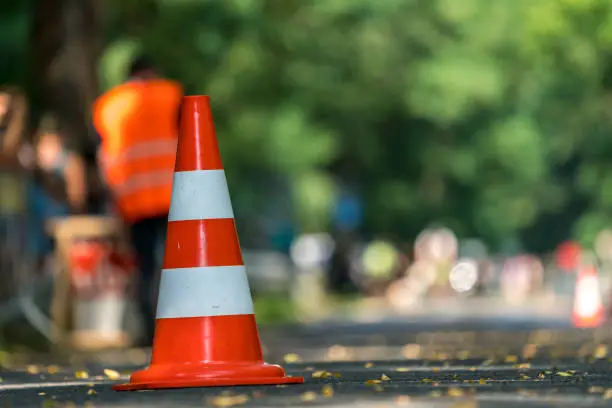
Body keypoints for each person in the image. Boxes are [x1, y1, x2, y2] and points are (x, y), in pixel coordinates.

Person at [92, 56, 183, 345]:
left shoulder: (107, 105)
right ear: (152, 71)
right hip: (173, 194)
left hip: (131, 198)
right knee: (177, 261)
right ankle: (179, 325)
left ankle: (148, 328)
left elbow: (101, 153)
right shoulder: (171, 94)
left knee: (143, 264)